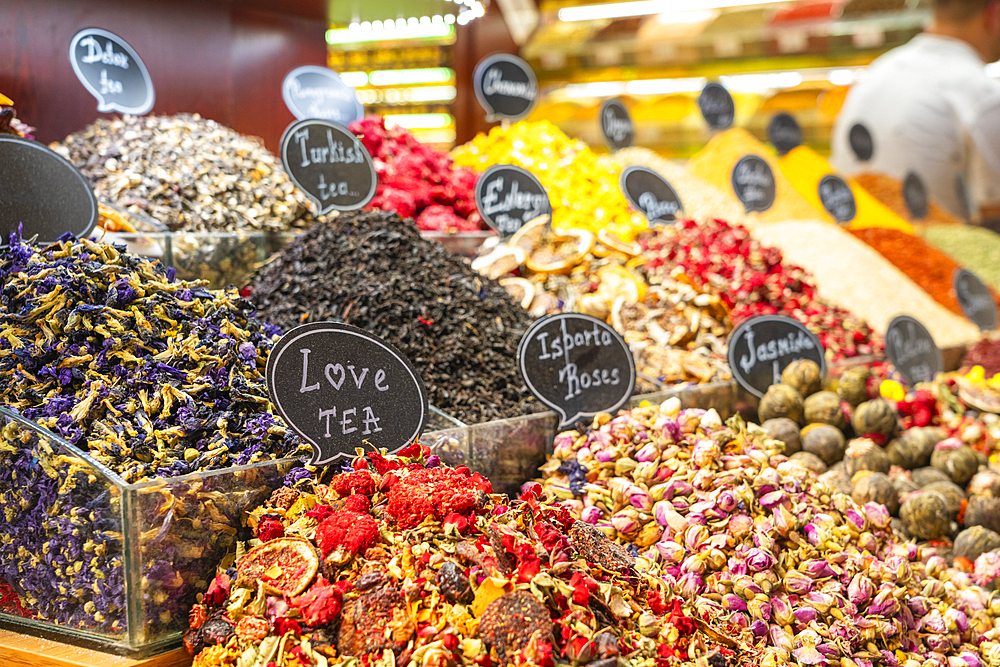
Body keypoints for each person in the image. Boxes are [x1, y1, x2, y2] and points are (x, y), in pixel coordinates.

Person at [830, 0, 1000, 224]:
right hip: (938, 254)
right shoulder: (981, 93)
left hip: (858, 245)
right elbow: (993, 214)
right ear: (994, 12)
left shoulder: (877, 71)